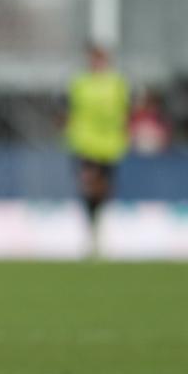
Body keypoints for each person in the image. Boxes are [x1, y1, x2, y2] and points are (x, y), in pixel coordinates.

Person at [65, 43, 130, 253]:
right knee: (89, 183)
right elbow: (69, 109)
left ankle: (97, 224)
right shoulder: (80, 82)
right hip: (85, 143)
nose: (97, 63)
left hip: (109, 145)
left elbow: (124, 112)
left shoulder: (117, 84)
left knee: (103, 189)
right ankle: (92, 230)